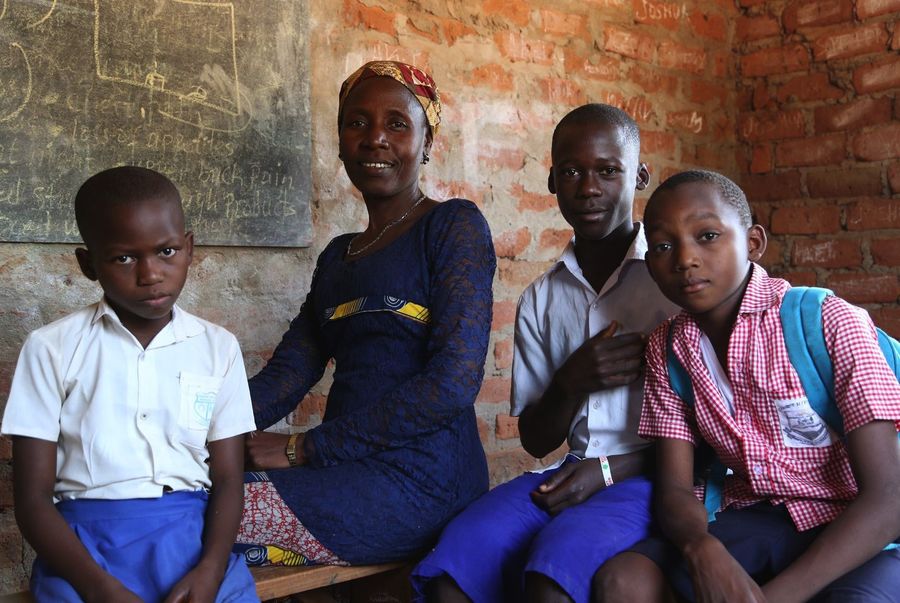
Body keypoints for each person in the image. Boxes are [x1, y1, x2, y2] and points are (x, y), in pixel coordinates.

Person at [412, 104, 679, 603]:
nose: (589, 188)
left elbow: (716, 436)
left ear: (640, 176)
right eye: (572, 171)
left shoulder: (673, 285)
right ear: (552, 180)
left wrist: (605, 472)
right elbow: (536, 440)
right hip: (571, 468)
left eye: (608, 170)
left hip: (653, 477)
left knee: (550, 578)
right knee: (452, 570)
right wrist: (569, 382)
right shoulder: (541, 296)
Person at [593, 170, 900, 602]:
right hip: (761, 514)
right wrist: (702, 549)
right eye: (663, 246)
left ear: (753, 243)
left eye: (708, 235)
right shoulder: (667, 348)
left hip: (860, 525)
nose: (685, 259)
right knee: (624, 580)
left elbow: (888, 498)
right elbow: (676, 488)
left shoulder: (827, 321)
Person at [233, 61, 496, 567]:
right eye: (357, 122)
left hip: (423, 480)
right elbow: (288, 374)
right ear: (339, 142)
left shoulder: (452, 226)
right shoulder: (338, 256)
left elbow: (452, 384)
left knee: (205, 515)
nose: (375, 138)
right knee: (186, 488)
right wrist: (193, 431)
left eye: (397, 124)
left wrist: (302, 449)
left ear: (427, 142)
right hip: (340, 470)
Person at [2, 166, 258, 602]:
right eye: (123, 258)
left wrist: (212, 570)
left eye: (166, 251)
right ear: (88, 264)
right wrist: (99, 589)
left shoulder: (217, 347)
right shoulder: (52, 348)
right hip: (84, 552)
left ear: (189, 248)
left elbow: (230, 478)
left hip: (193, 543)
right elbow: (31, 499)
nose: (150, 274)